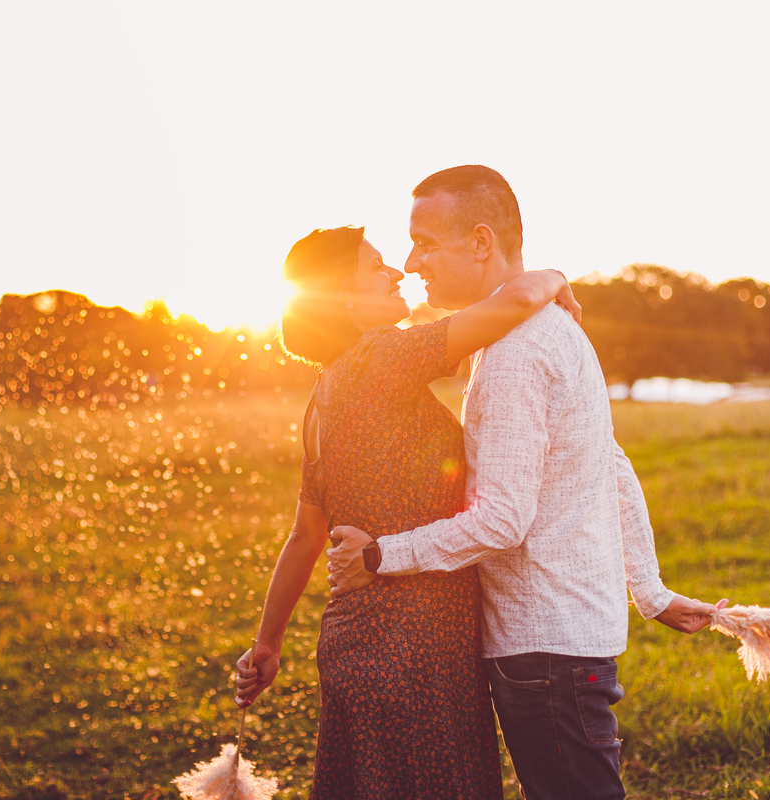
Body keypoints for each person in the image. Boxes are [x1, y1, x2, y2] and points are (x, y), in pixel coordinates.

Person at [326, 165, 727, 800]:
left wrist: (379, 554)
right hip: (571, 645)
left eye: (425, 243)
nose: (411, 261)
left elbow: (502, 521)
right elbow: (612, 464)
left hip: (542, 655)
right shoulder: (554, 330)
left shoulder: (514, 351)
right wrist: (648, 592)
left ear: (481, 243)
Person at [233, 225, 582, 799]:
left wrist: (267, 644)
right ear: (343, 298)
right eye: (376, 268)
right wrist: (555, 277)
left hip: (353, 647)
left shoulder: (322, 397)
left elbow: (304, 536)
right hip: (415, 649)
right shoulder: (380, 356)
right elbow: (515, 301)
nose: (396, 271)